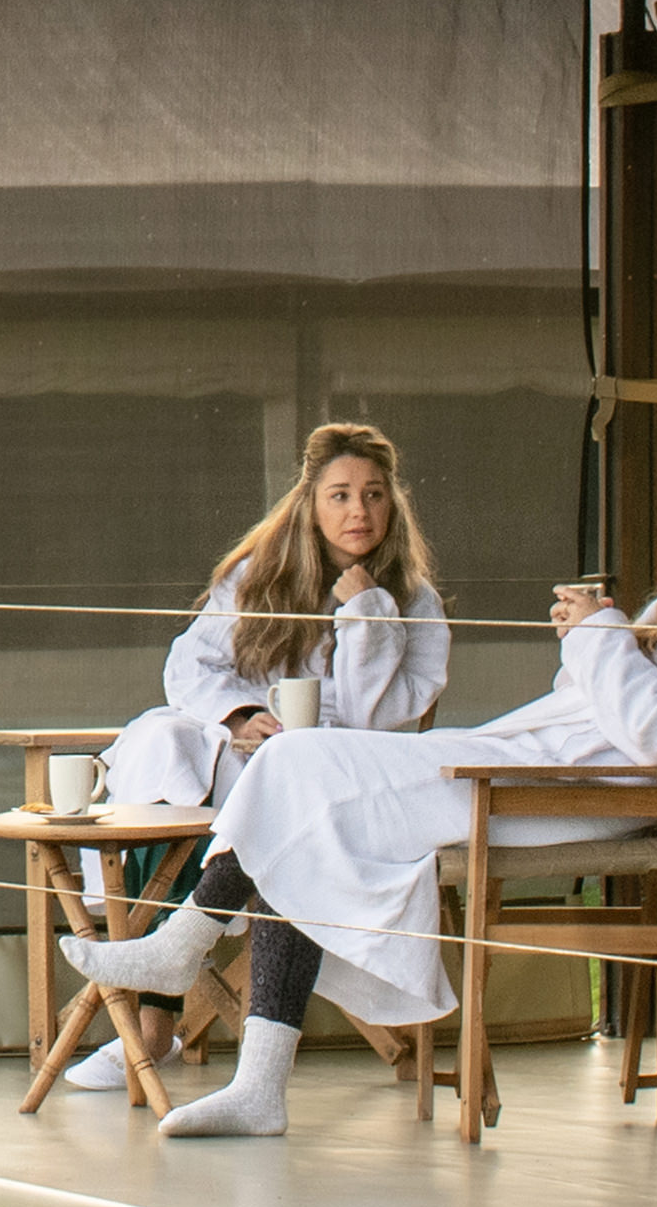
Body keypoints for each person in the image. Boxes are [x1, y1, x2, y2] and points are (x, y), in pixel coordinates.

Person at [70, 414, 657, 1143]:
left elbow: (656, 733)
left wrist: (600, 631)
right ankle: (249, 1070)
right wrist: (596, 638)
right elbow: (634, 707)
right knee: (300, 807)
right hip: (537, 770)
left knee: (295, 767)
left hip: (557, 790)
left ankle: (188, 957)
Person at [58, 427, 445, 1095]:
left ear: (394, 505)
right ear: (309, 503)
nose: (360, 511)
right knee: (161, 746)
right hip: (242, 754)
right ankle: (154, 1016)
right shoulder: (258, 575)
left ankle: (162, 999)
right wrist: (238, 714)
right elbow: (190, 661)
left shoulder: (413, 601)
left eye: (374, 495)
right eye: (342, 495)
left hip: (339, 779)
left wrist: (367, 614)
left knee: (278, 808)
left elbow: (379, 717)